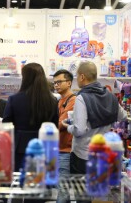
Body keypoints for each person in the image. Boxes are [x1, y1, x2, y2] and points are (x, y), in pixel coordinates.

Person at [64, 62, 126, 176]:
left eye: (77, 76)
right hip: (103, 154)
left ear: (82, 77)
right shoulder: (110, 96)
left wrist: (68, 127)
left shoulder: (82, 98)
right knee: (100, 186)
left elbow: (79, 130)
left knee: (80, 187)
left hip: (84, 156)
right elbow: (123, 116)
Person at [2, 63, 58, 168]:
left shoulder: (14, 99)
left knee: (20, 176)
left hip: (20, 147)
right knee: (42, 176)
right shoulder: (52, 100)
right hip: (45, 146)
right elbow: (55, 126)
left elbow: (6, 126)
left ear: (25, 78)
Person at [53, 70, 76, 203]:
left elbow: (61, 123)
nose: (56, 85)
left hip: (66, 151)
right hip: (59, 149)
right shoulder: (60, 100)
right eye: (55, 82)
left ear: (69, 83)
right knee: (61, 189)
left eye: (59, 82)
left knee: (63, 190)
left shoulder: (73, 100)